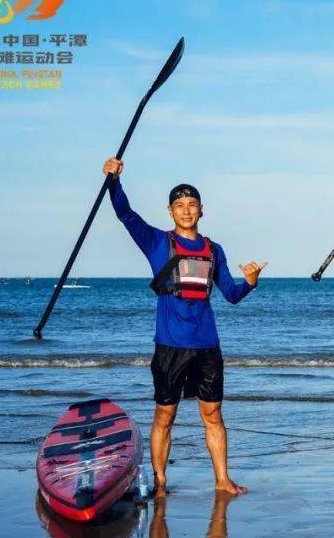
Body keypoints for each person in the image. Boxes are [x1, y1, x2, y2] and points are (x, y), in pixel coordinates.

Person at [104, 157, 266, 496]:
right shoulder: (157, 243)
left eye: (192, 204)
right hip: (170, 346)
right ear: (171, 211)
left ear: (201, 210)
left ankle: (222, 480)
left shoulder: (213, 249)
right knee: (165, 416)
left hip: (207, 347)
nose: (187, 210)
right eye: (180, 205)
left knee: (213, 415)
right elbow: (125, 215)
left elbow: (232, 295)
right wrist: (113, 181)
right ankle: (160, 482)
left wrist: (250, 282)